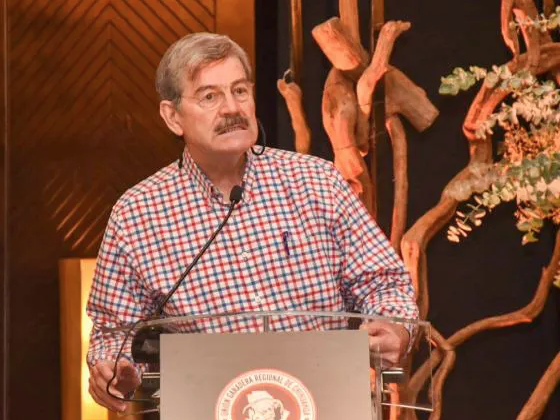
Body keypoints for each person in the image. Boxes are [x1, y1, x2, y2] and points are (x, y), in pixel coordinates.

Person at [86, 32, 419, 412]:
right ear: (172, 116)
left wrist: (394, 327)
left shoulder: (317, 182)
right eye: (209, 96)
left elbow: (384, 284)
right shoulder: (138, 214)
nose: (232, 108)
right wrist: (115, 369)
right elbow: (112, 334)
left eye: (240, 91)